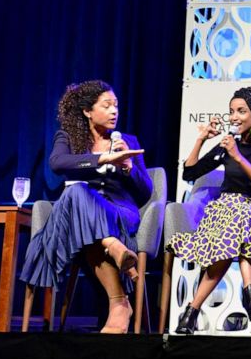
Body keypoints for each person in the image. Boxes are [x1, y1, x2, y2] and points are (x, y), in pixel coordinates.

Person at [20, 80, 152, 334]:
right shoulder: (68, 137)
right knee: (78, 191)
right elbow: (58, 164)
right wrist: (102, 158)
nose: (115, 111)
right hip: (75, 220)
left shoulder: (128, 140)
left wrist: (129, 168)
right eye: (107, 105)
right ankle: (115, 271)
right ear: (87, 111)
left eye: (116, 105)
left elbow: (145, 193)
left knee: (80, 207)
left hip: (118, 213)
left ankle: (118, 298)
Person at [168, 86, 251, 334]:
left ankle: (191, 312)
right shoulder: (226, 146)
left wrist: (238, 156)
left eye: (241, 111)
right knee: (234, 225)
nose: (234, 117)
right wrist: (201, 138)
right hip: (223, 213)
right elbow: (190, 172)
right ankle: (250, 289)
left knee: (241, 221)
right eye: (231, 112)